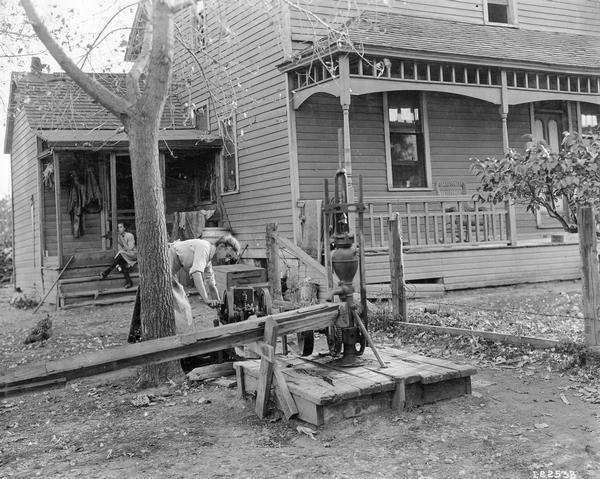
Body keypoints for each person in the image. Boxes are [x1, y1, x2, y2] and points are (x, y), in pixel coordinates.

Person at [168, 234, 241, 308]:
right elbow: (196, 273)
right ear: (221, 246)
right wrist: (206, 300)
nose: (226, 260)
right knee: (180, 301)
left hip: (173, 263)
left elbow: (211, 286)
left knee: (179, 300)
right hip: (168, 257)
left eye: (229, 258)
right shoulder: (204, 248)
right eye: (228, 255)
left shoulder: (208, 261)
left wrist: (219, 306)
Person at [100, 222, 137, 288]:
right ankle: (129, 282)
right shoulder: (118, 237)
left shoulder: (130, 235)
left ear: (124, 228)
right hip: (124, 256)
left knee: (120, 256)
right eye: (118, 227)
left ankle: (106, 272)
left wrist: (121, 239)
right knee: (122, 263)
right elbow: (120, 249)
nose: (119, 229)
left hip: (132, 255)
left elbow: (130, 248)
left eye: (121, 227)